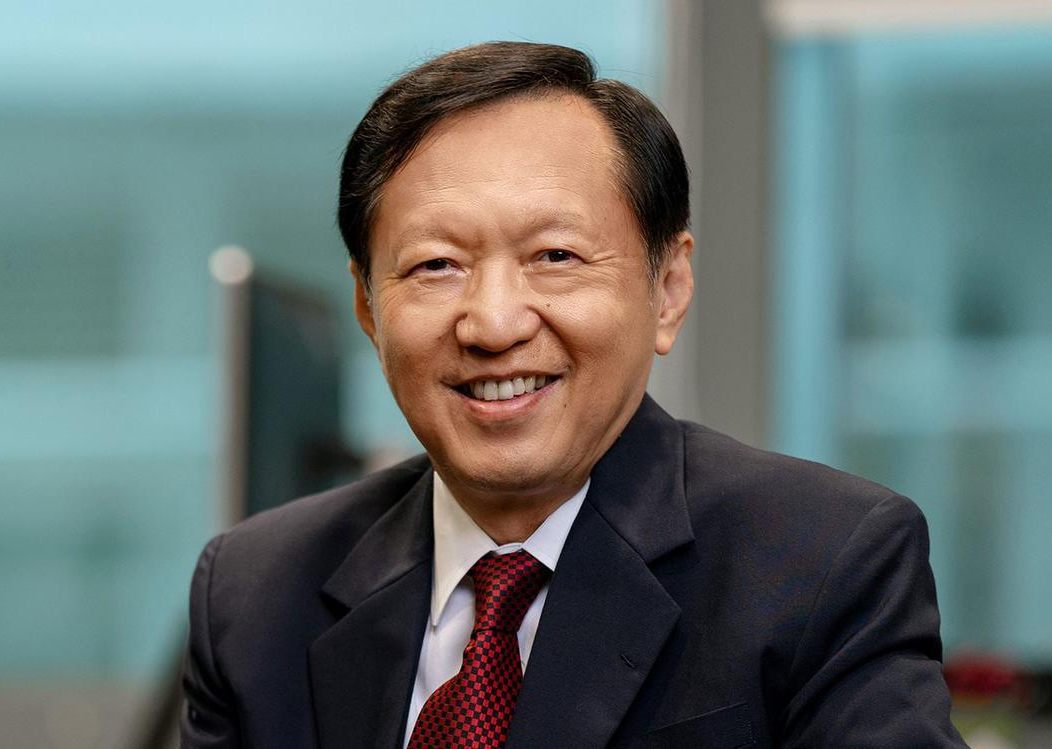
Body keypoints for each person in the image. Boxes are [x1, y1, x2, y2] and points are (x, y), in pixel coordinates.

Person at [181, 41, 967, 748]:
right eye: (436, 265)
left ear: (668, 288)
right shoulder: (254, 595)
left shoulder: (824, 561)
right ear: (367, 306)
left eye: (555, 255)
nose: (493, 323)